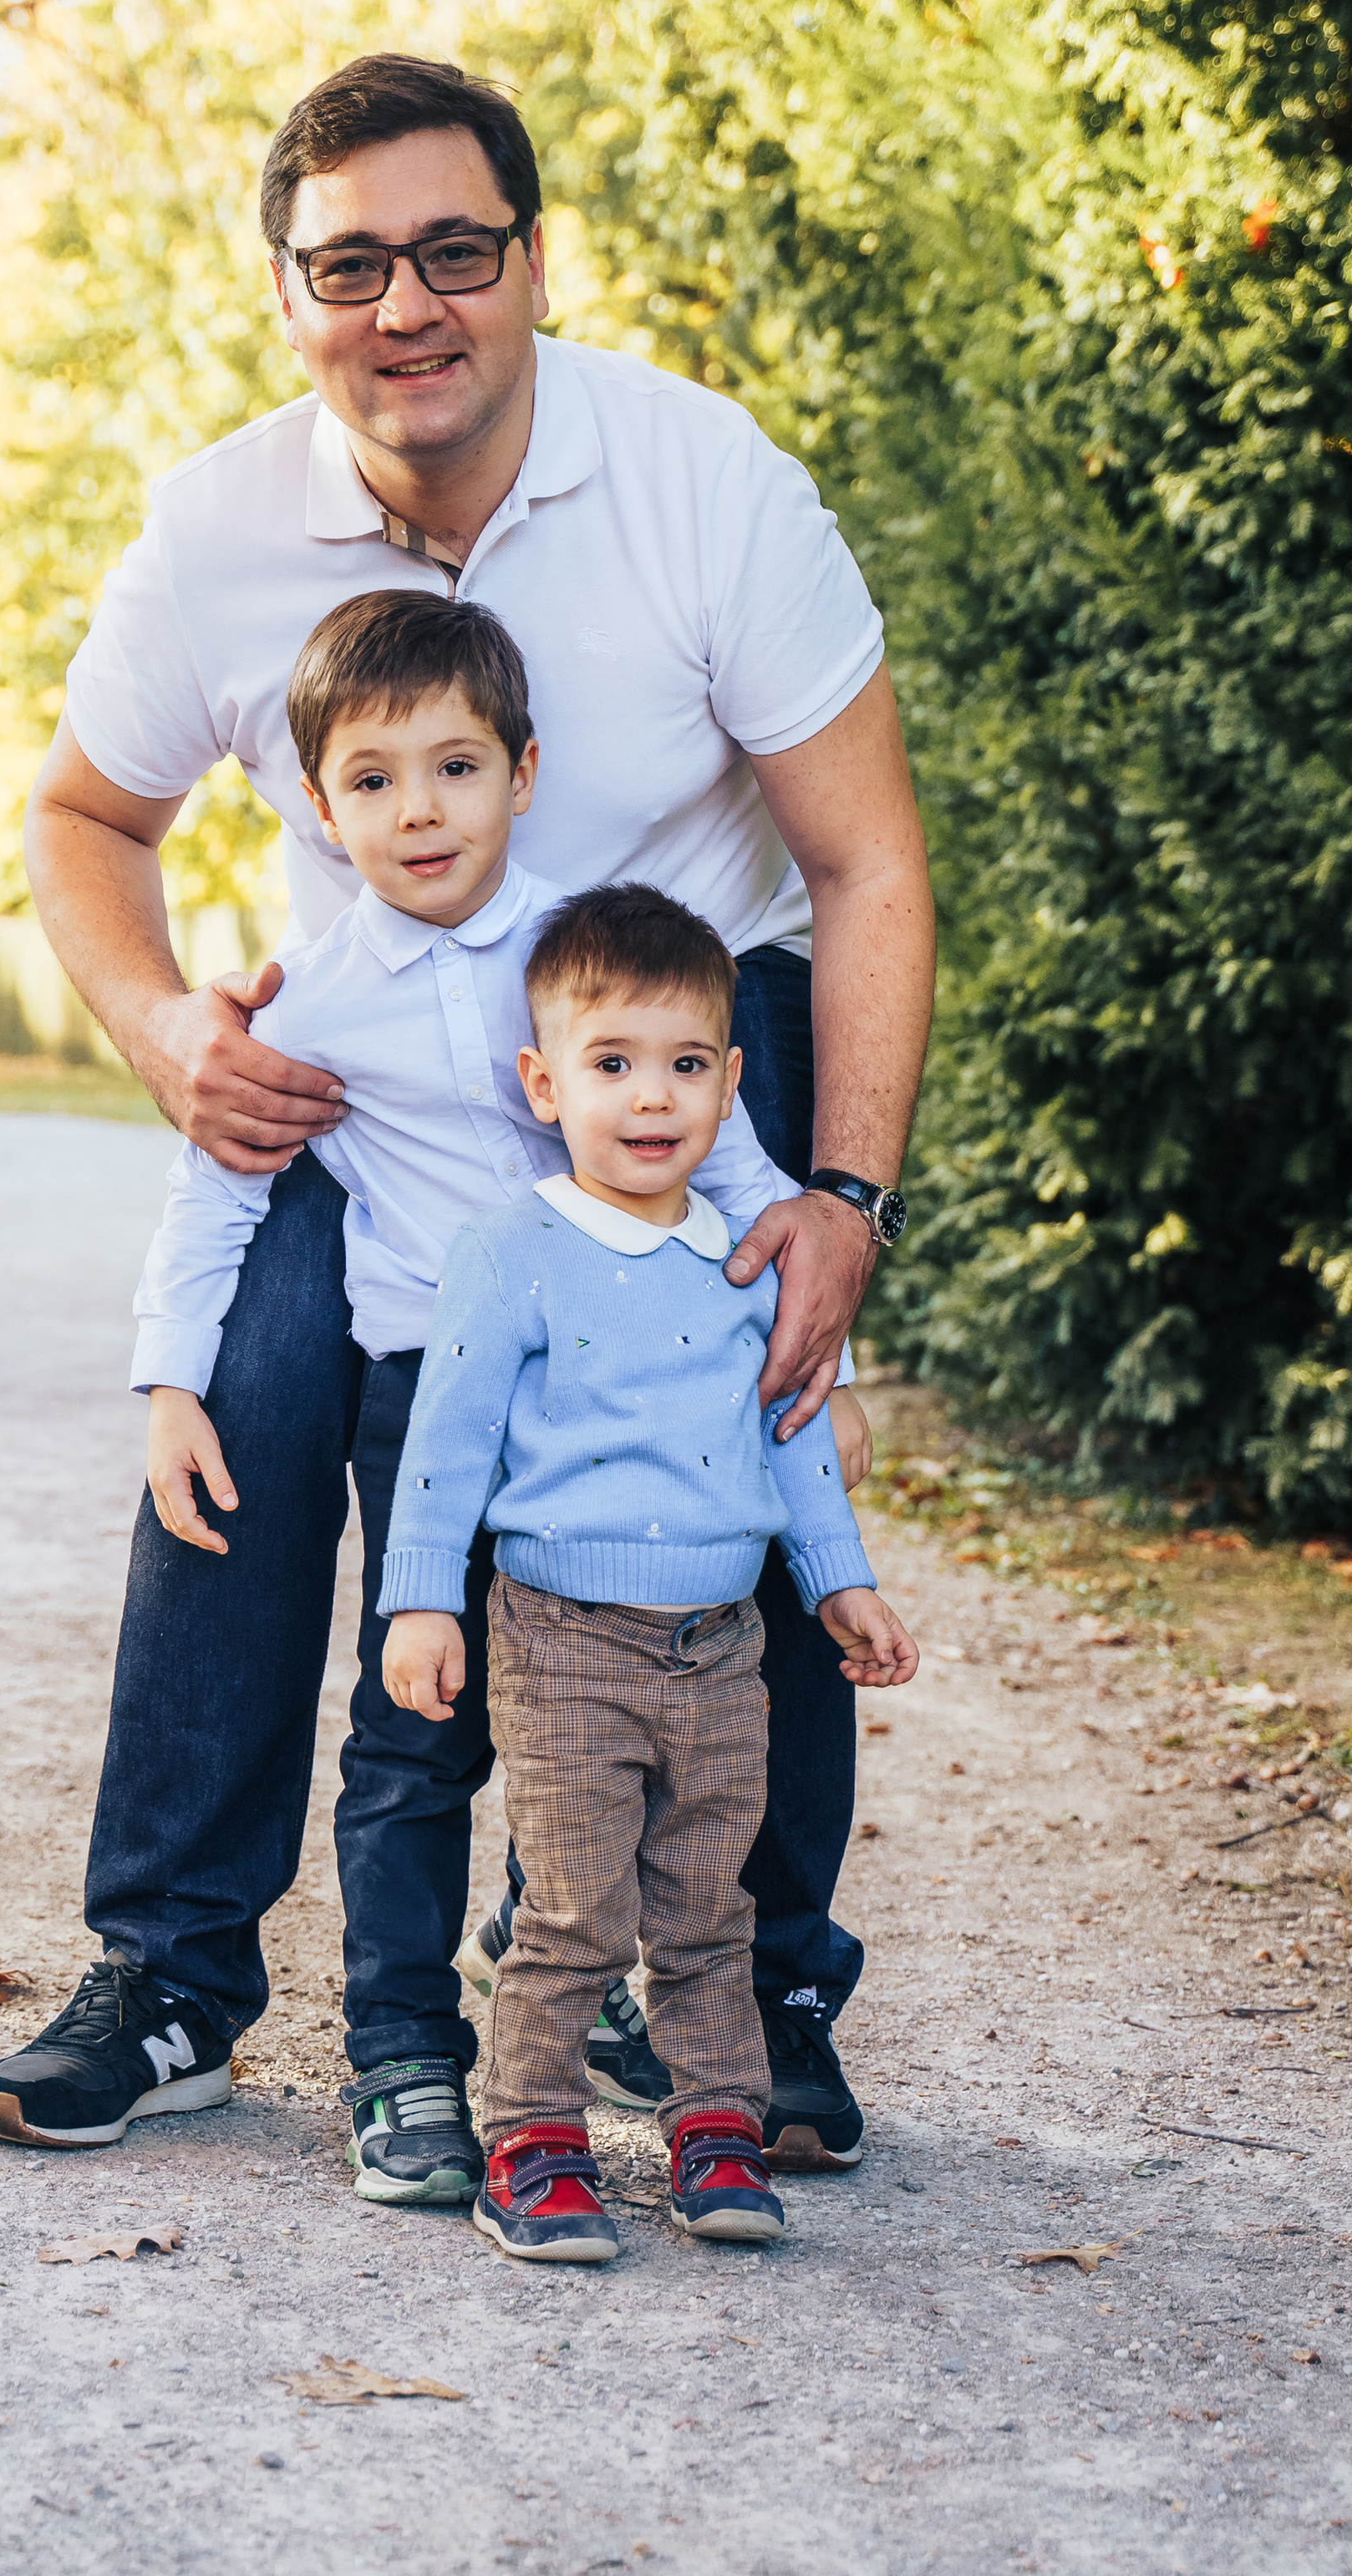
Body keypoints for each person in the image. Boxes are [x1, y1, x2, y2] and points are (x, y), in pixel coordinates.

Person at [0, 50, 935, 2166]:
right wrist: (165, 1033)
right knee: (239, 1399)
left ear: (523, 260)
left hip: (666, 1043)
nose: (402, 305)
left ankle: (737, 1986)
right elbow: (79, 814)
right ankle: (170, 1974)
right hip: (386, 1060)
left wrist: (840, 1192)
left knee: (728, 1439)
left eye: (450, 252)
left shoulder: (705, 486)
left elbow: (864, 863)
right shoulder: (215, 532)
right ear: (288, 291)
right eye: (348, 266)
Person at [3, 587, 857, 2197]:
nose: (420, 811)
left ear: (524, 774)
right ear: (317, 811)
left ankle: (627, 2021)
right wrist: (173, 1382)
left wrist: (830, 1364)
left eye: (457, 767)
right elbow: (223, 1193)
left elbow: (747, 1183)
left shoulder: (598, 957)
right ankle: (402, 2055)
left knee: (619, 1730)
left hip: (610, 1430)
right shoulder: (310, 1003)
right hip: (427, 1423)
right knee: (413, 1746)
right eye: (375, 779)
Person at [380, 882, 917, 2264]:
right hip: (562, 1640)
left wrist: (838, 1579)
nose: (650, 1098)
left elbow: (790, 1435)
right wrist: (422, 1599)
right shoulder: (515, 1250)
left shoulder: (750, 1257)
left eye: (685, 1066)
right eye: (611, 1064)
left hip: (720, 1650)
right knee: (571, 1911)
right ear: (542, 1080)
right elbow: (448, 1438)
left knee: (705, 1909)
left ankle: (716, 2132)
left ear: (731, 1083)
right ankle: (535, 2143)